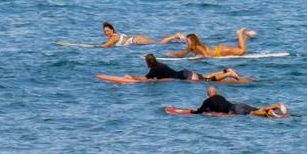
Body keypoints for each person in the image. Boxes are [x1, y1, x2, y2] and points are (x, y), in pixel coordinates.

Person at [96, 54, 254, 84]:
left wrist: (130, 77)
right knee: (205, 77)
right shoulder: (159, 66)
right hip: (185, 72)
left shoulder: (155, 69)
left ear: (148, 62)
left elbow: (145, 79)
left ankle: (229, 75)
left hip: (185, 77)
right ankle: (226, 72)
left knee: (207, 80)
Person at [180, 85, 288, 117]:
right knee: (257, 109)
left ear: (208, 94)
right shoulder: (220, 96)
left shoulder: (207, 101)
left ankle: (275, 107)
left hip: (235, 110)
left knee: (254, 114)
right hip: (239, 104)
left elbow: (199, 111)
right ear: (216, 92)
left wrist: (191, 111)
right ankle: (274, 108)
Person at [164, 28, 257, 59]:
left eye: (187, 41)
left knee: (242, 51)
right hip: (219, 50)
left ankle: (240, 33)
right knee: (240, 50)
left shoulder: (197, 47)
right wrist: (173, 54)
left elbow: (206, 56)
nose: (186, 43)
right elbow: (183, 53)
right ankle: (247, 36)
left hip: (221, 52)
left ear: (192, 41)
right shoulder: (192, 47)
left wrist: (197, 59)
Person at [98, 22, 185, 47]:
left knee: (158, 43)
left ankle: (175, 36)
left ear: (112, 30)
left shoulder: (113, 37)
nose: (106, 33)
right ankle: (177, 38)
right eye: (105, 31)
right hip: (136, 38)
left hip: (136, 40)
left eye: (108, 31)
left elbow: (105, 46)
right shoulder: (116, 35)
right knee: (157, 41)